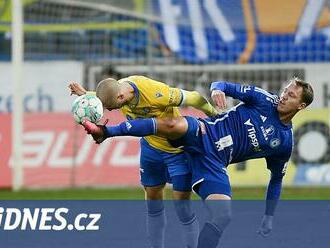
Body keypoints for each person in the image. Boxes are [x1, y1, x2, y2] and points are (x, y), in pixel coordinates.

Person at [81, 77, 314, 248]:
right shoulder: (264, 99)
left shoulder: (283, 142)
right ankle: (106, 132)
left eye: (291, 95)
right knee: (173, 124)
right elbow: (222, 85)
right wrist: (217, 91)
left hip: (214, 163)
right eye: (285, 90)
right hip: (204, 131)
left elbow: (276, 180)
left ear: (301, 106)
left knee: (223, 215)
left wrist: (269, 216)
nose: (283, 95)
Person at [69, 75, 219, 248]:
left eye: (109, 108)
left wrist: (214, 115)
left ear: (120, 98)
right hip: (151, 150)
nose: (109, 111)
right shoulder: (119, 91)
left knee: (182, 208)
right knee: (153, 202)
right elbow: (110, 92)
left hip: (177, 151)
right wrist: (87, 94)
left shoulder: (154, 92)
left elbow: (194, 97)